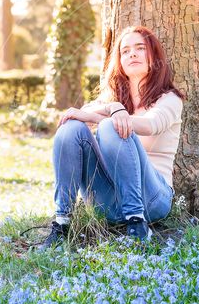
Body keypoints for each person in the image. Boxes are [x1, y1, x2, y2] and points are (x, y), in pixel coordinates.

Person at [38, 25, 185, 249]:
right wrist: (113, 107)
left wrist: (114, 114)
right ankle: (62, 222)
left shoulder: (169, 99)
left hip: (153, 198)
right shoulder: (111, 99)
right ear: (119, 61)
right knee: (71, 128)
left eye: (140, 48)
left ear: (154, 56)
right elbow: (82, 117)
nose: (132, 54)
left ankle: (138, 224)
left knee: (111, 126)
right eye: (125, 51)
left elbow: (151, 124)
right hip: (109, 201)